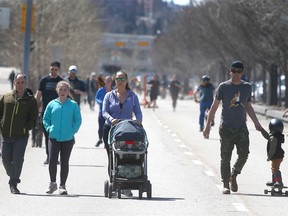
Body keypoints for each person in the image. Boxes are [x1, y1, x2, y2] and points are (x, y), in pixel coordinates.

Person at [203, 61, 262, 194]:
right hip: (226, 127)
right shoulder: (223, 86)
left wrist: (256, 122)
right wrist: (207, 126)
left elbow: (248, 106)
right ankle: (225, 184)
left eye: (238, 72)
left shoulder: (247, 87)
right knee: (225, 157)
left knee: (244, 154)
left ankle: (234, 175)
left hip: (241, 127)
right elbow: (214, 106)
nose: (236, 74)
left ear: (242, 73)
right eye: (233, 71)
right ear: (230, 71)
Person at [102, 70, 143, 196]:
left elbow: (138, 111)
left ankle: (128, 183)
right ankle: (114, 184)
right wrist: (111, 119)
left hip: (127, 130)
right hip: (111, 129)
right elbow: (104, 112)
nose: (120, 81)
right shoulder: (109, 96)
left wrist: (139, 121)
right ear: (115, 80)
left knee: (128, 155)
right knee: (112, 156)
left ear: (127, 81)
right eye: (118, 79)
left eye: (123, 79)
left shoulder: (133, 96)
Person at [0, 73, 38, 194]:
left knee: (17, 159)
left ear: (25, 84)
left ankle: (14, 183)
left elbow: (33, 118)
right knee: (5, 160)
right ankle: (13, 175)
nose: (20, 85)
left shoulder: (31, 100)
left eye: (22, 82)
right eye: (18, 82)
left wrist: (26, 127)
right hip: (6, 135)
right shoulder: (6, 97)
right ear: (14, 82)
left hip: (21, 136)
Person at [43, 81, 82, 195]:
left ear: (68, 91)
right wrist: (49, 128)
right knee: (52, 160)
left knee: (64, 162)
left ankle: (62, 186)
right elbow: (45, 118)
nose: (63, 92)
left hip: (68, 138)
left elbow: (78, 120)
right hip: (53, 137)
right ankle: (52, 183)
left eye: (65, 90)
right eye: (60, 90)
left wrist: (72, 131)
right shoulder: (52, 104)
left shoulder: (73, 105)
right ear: (57, 91)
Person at [35, 61, 63, 165]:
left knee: (57, 136)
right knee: (47, 135)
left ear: (58, 70)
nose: (53, 71)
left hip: (58, 112)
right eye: (52, 69)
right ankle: (49, 157)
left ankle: (56, 157)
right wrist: (35, 107)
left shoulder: (61, 82)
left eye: (55, 69)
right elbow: (38, 95)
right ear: (49, 69)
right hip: (45, 112)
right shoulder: (44, 81)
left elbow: (65, 96)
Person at [260, 119, 285, 187]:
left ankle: (279, 182)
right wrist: (261, 130)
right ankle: (274, 181)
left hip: (276, 156)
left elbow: (272, 149)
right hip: (278, 156)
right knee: (274, 168)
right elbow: (267, 136)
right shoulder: (277, 136)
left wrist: (269, 157)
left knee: (275, 169)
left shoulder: (273, 138)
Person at [95, 76, 113, 147]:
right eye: (107, 81)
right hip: (101, 111)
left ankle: (107, 141)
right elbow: (96, 98)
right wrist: (100, 102)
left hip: (111, 112)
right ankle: (100, 139)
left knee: (109, 127)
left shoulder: (113, 91)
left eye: (110, 81)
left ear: (111, 82)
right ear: (105, 81)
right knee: (101, 126)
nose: (108, 82)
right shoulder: (101, 90)